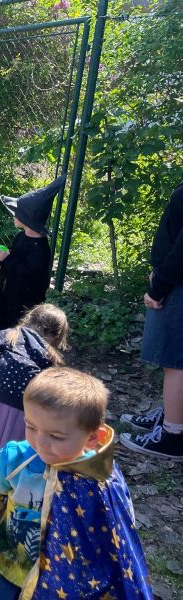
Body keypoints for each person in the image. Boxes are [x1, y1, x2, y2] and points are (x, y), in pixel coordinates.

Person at [0, 368, 153, 600]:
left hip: (65, 583)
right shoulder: (12, 459)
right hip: (11, 566)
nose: (40, 442)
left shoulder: (99, 481)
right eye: (31, 427)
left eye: (55, 436)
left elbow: (114, 531)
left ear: (92, 438)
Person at [121, 179, 183, 460]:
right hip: (174, 281)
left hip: (177, 285)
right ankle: (171, 417)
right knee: (173, 361)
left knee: (175, 361)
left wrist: (160, 284)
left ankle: (172, 434)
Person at [0, 303, 69, 466]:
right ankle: (4, 464)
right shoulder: (50, 355)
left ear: (29, 318)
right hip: (23, 403)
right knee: (11, 432)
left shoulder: (9, 334)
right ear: (57, 335)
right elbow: (47, 385)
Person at [0, 176, 65, 333]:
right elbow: (15, 265)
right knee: (4, 327)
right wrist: (5, 258)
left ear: (26, 219)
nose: (14, 215)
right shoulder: (21, 237)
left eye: (16, 213)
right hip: (10, 296)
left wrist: (7, 259)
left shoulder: (40, 249)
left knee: (17, 332)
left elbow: (28, 277)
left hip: (25, 305)